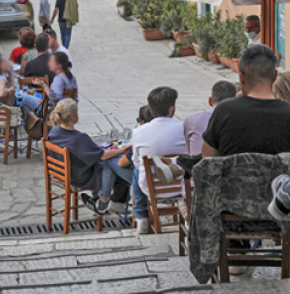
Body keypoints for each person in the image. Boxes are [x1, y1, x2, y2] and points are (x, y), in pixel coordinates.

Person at [202, 44, 290, 158]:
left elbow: (208, 160)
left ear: (241, 77)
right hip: (282, 176)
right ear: (275, 76)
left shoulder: (224, 111)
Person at [45, 99, 132, 216]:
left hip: (64, 173)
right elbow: (103, 156)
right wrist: (122, 150)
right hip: (81, 177)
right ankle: (110, 202)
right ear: (72, 117)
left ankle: (100, 200)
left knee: (109, 161)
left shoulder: (54, 132)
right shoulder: (78, 139)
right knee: (116, 165)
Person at [129, 87, 188, 234]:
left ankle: (141, 217)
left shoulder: (138, 132)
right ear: (171, 108)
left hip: (152, 188)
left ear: (151, 109)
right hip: (181, 186)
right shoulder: (185, 127)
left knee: (137, 169)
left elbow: (136, 161)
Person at [183, 81, 238, 155]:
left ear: (210, 101)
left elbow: (189, 151)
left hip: (195, 164)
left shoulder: (191, 119)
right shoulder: (239, 120)